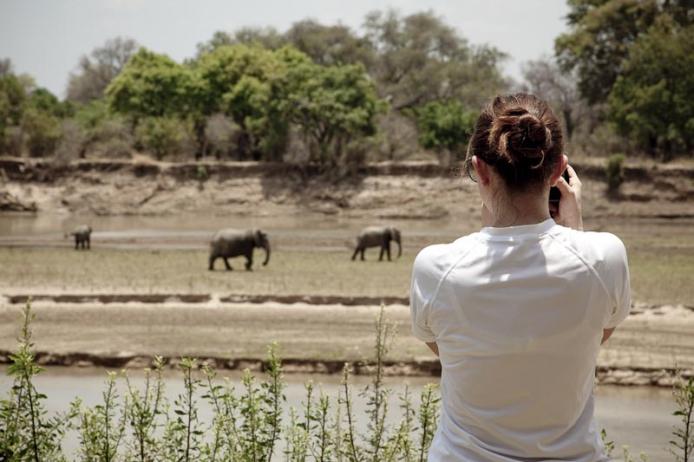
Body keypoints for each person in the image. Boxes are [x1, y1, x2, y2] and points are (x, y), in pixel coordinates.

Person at [410, 93, 630, 461]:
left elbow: (452, 353)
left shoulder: (437, 267)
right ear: (559, 170)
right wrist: (574, 232)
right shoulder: (605, 257)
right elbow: (588, 340)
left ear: (480, 170)